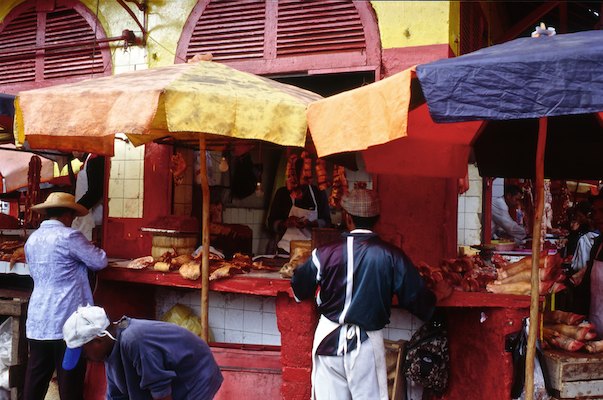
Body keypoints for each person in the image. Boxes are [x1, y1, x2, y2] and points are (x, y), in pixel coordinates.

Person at [290, 187, 449, 400]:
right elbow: (416, 298)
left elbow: (300, 286)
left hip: (327, 338)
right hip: (366, 344)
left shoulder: (324, 253)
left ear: (347, 218)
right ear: (377, 219)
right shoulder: (391, 256)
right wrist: (437, 303)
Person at [23, 192, 108, 400]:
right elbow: (100, 261)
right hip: (67, 319)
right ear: (68, 216)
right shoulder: (69, 236)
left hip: (39, 318)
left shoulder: (32, 239)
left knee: (35, 378)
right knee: (69, 380)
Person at [62, 305, 224, 400]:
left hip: (196, 376)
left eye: (84, 352)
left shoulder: (134, 340)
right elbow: (116, 395)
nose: (86, 357)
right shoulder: (108, 348)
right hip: (166, 381)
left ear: (98, 340)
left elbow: (162, 392)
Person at [267, 156, 330, 253]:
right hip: (285, 249)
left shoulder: (318, 193)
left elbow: (327, 222)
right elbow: (271, 223)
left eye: (305, 174)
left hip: (312, 250)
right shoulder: (282, 193)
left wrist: (312, 224)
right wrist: (285, 223)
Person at [570, 194, 603, 338]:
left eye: (602, 211)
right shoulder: (598, 243)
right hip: (594, 328)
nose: (597, 217)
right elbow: (587, 284)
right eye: (595, 212)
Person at [71, 152, 105, 242]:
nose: (72, 151)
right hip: (84, 215)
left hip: (90, 215)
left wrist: (75, 210)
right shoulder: (90, 159)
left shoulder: (95, 158)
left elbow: (95, 192)